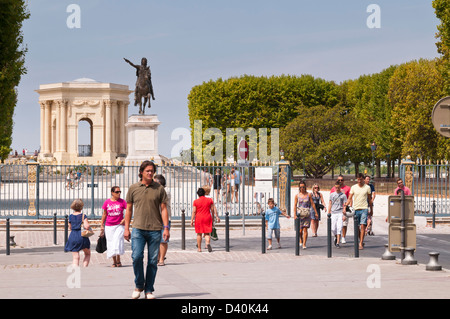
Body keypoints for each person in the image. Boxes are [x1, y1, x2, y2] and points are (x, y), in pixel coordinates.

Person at [124, 160, 169, 300]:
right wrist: (126, 228)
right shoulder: (133, 188)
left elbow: (163, 209)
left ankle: (149, 289)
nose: (150, 173)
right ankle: (139, 285)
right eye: (148, 171)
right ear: (141, 172)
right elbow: (129, 209)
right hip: (138, 229)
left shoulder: (159, 189)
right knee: (136, 257)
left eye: (152, 171)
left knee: (152, 261)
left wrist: (166, 228)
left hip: (155, 229)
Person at [101, 186, 126, 267]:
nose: (119, 193)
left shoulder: (122, 202)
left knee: (118, 241)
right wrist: (102, 225)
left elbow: (129, 211)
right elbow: (104, 214)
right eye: (117, 192)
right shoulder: (107, 202)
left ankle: (119, 260)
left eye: (120, 192)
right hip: (109, 225)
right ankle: (114, 261)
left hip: (119, 225)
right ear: (112, 193)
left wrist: (125, 219)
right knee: (111, 243)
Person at [346, 173, 372, 250]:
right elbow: (350, 198)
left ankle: (360, 243)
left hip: (364, 208)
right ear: (356, 179)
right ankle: (360, 239)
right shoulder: (353, 187)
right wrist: (345, 206)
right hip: (356, 209)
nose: (359, 181)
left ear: (363, 179)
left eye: (361, 179)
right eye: (358, 179)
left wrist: (371, 209)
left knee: (362, 225)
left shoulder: (367, 187)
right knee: (357, 228)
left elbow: (370, 199)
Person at [191, 187, 219, 252]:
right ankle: (208, 243)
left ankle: (199, 248)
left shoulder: (196, 201)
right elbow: (212, 209)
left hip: (199, 218)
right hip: (207, 217)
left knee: (199, 234)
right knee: (207, 233)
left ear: (198, 194)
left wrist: (192, 220)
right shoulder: (209, 200)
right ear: (204, 193)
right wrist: (213, 217)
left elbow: (194, 211)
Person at [64, 199, 91, 267]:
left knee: (76, 257)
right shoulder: (83, 216)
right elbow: (86, 226)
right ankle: (85, 268)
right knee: (87, 254)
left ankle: (75, 271)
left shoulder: (70, 216)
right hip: (82, 236)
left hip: (73, 236)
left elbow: (70, 227)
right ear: (81, 207)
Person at [293, 181, 318, 249]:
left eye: (303, 187)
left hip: (306, 214)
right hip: (300, 214)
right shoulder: (297, 195)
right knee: (300, 231)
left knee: (305, 229)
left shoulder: (308, 195)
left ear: (305, 187)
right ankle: (300, 239)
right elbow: (295, 205)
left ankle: (304, 244)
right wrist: (294, 214)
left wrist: (316, 212)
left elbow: (312, 203)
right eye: (301, 187)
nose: (302, 188)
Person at [154, 174, 171, 266]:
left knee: (163, 239)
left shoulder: (166, 190)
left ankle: (161, 259)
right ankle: (156, 257)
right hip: (155, 217)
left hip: (164, 218)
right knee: (155, 239)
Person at [330, 175, 351, 243]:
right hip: (335, 210)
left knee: (344, 224)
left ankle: (343, 237)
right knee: (334, 226)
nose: (340, 181)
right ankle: (337, 236)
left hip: (344, 208)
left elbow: (349, 198)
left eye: (341, 180)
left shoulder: (347, 188)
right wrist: (329, 210)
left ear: (343, 180)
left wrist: (349, 207)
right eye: (339, 180)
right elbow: (331, 200)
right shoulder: (333, 188)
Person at [328, 182, 347, 248]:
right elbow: (330, 203)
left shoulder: (343, 195)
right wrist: (329, 211)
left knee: (339, 227)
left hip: (340, 212)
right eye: (336, 187)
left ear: (340, 187)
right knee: (333, 228)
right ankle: (336, 237)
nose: (337, 189)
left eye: (338, 187)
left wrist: (344, 213)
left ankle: (338, 242)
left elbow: (345, 204)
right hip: (333, 212)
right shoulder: (332, 195)